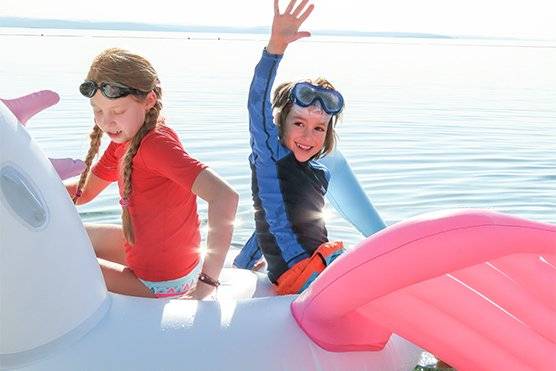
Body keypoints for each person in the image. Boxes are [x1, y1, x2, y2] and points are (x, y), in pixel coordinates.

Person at [66, 48, 238, 300]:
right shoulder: (127, 139)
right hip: (156, 256)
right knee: (67, 233)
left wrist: (208, 281)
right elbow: (85, 192)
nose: (106, 122)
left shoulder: (154, 146)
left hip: (159, 281)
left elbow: (225, 196)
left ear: (148, 100)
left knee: (57, 254)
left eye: (118, 111)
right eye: (98, 110)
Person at [236, 0, 368, 295]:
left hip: (323, 265)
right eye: (299, 124)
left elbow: (267, 222)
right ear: (280, 123)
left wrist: (241, 266)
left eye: (319, 128)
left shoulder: (319, 173)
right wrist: (275, 50)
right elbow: (255, 104)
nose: (308, 136)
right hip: (302, 275)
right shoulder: (270, 157)